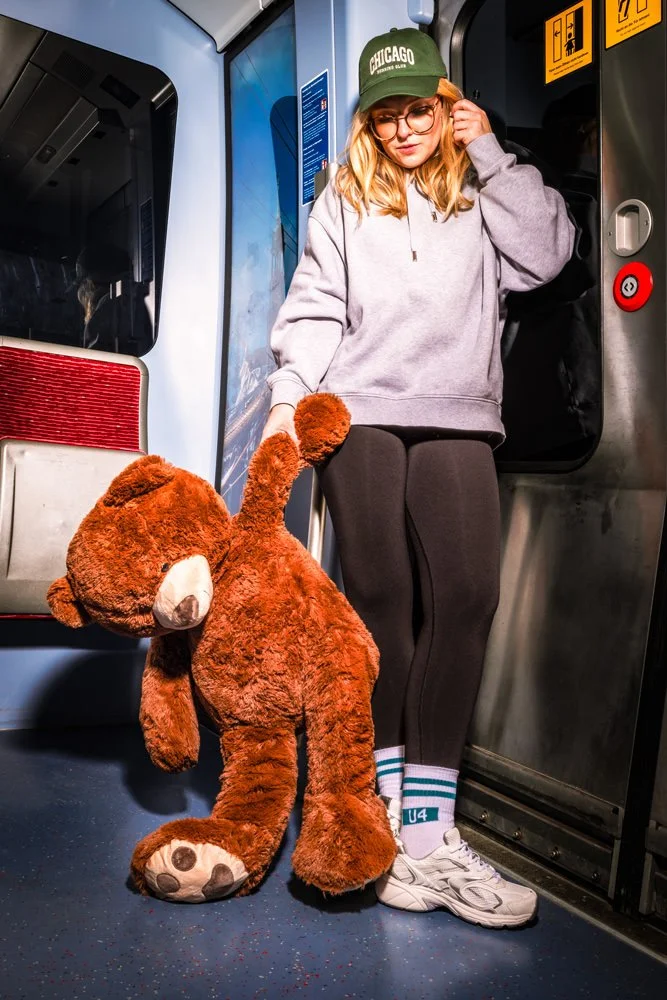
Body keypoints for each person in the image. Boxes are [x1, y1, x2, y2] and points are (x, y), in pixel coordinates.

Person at [261, 26, 574, 927]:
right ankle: (395, 825)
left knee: (468, 597)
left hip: (458, 415)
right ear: (368, 122)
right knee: (382, 604)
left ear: (445, 107)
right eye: (386, 115)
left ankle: (431, 834)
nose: (403, 130)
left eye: (419, 112)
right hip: (359, 416)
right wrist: (290, 398)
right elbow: (317, 305)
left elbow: (549, 252)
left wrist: (489, 150)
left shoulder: (481, 189)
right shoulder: (343, 199)